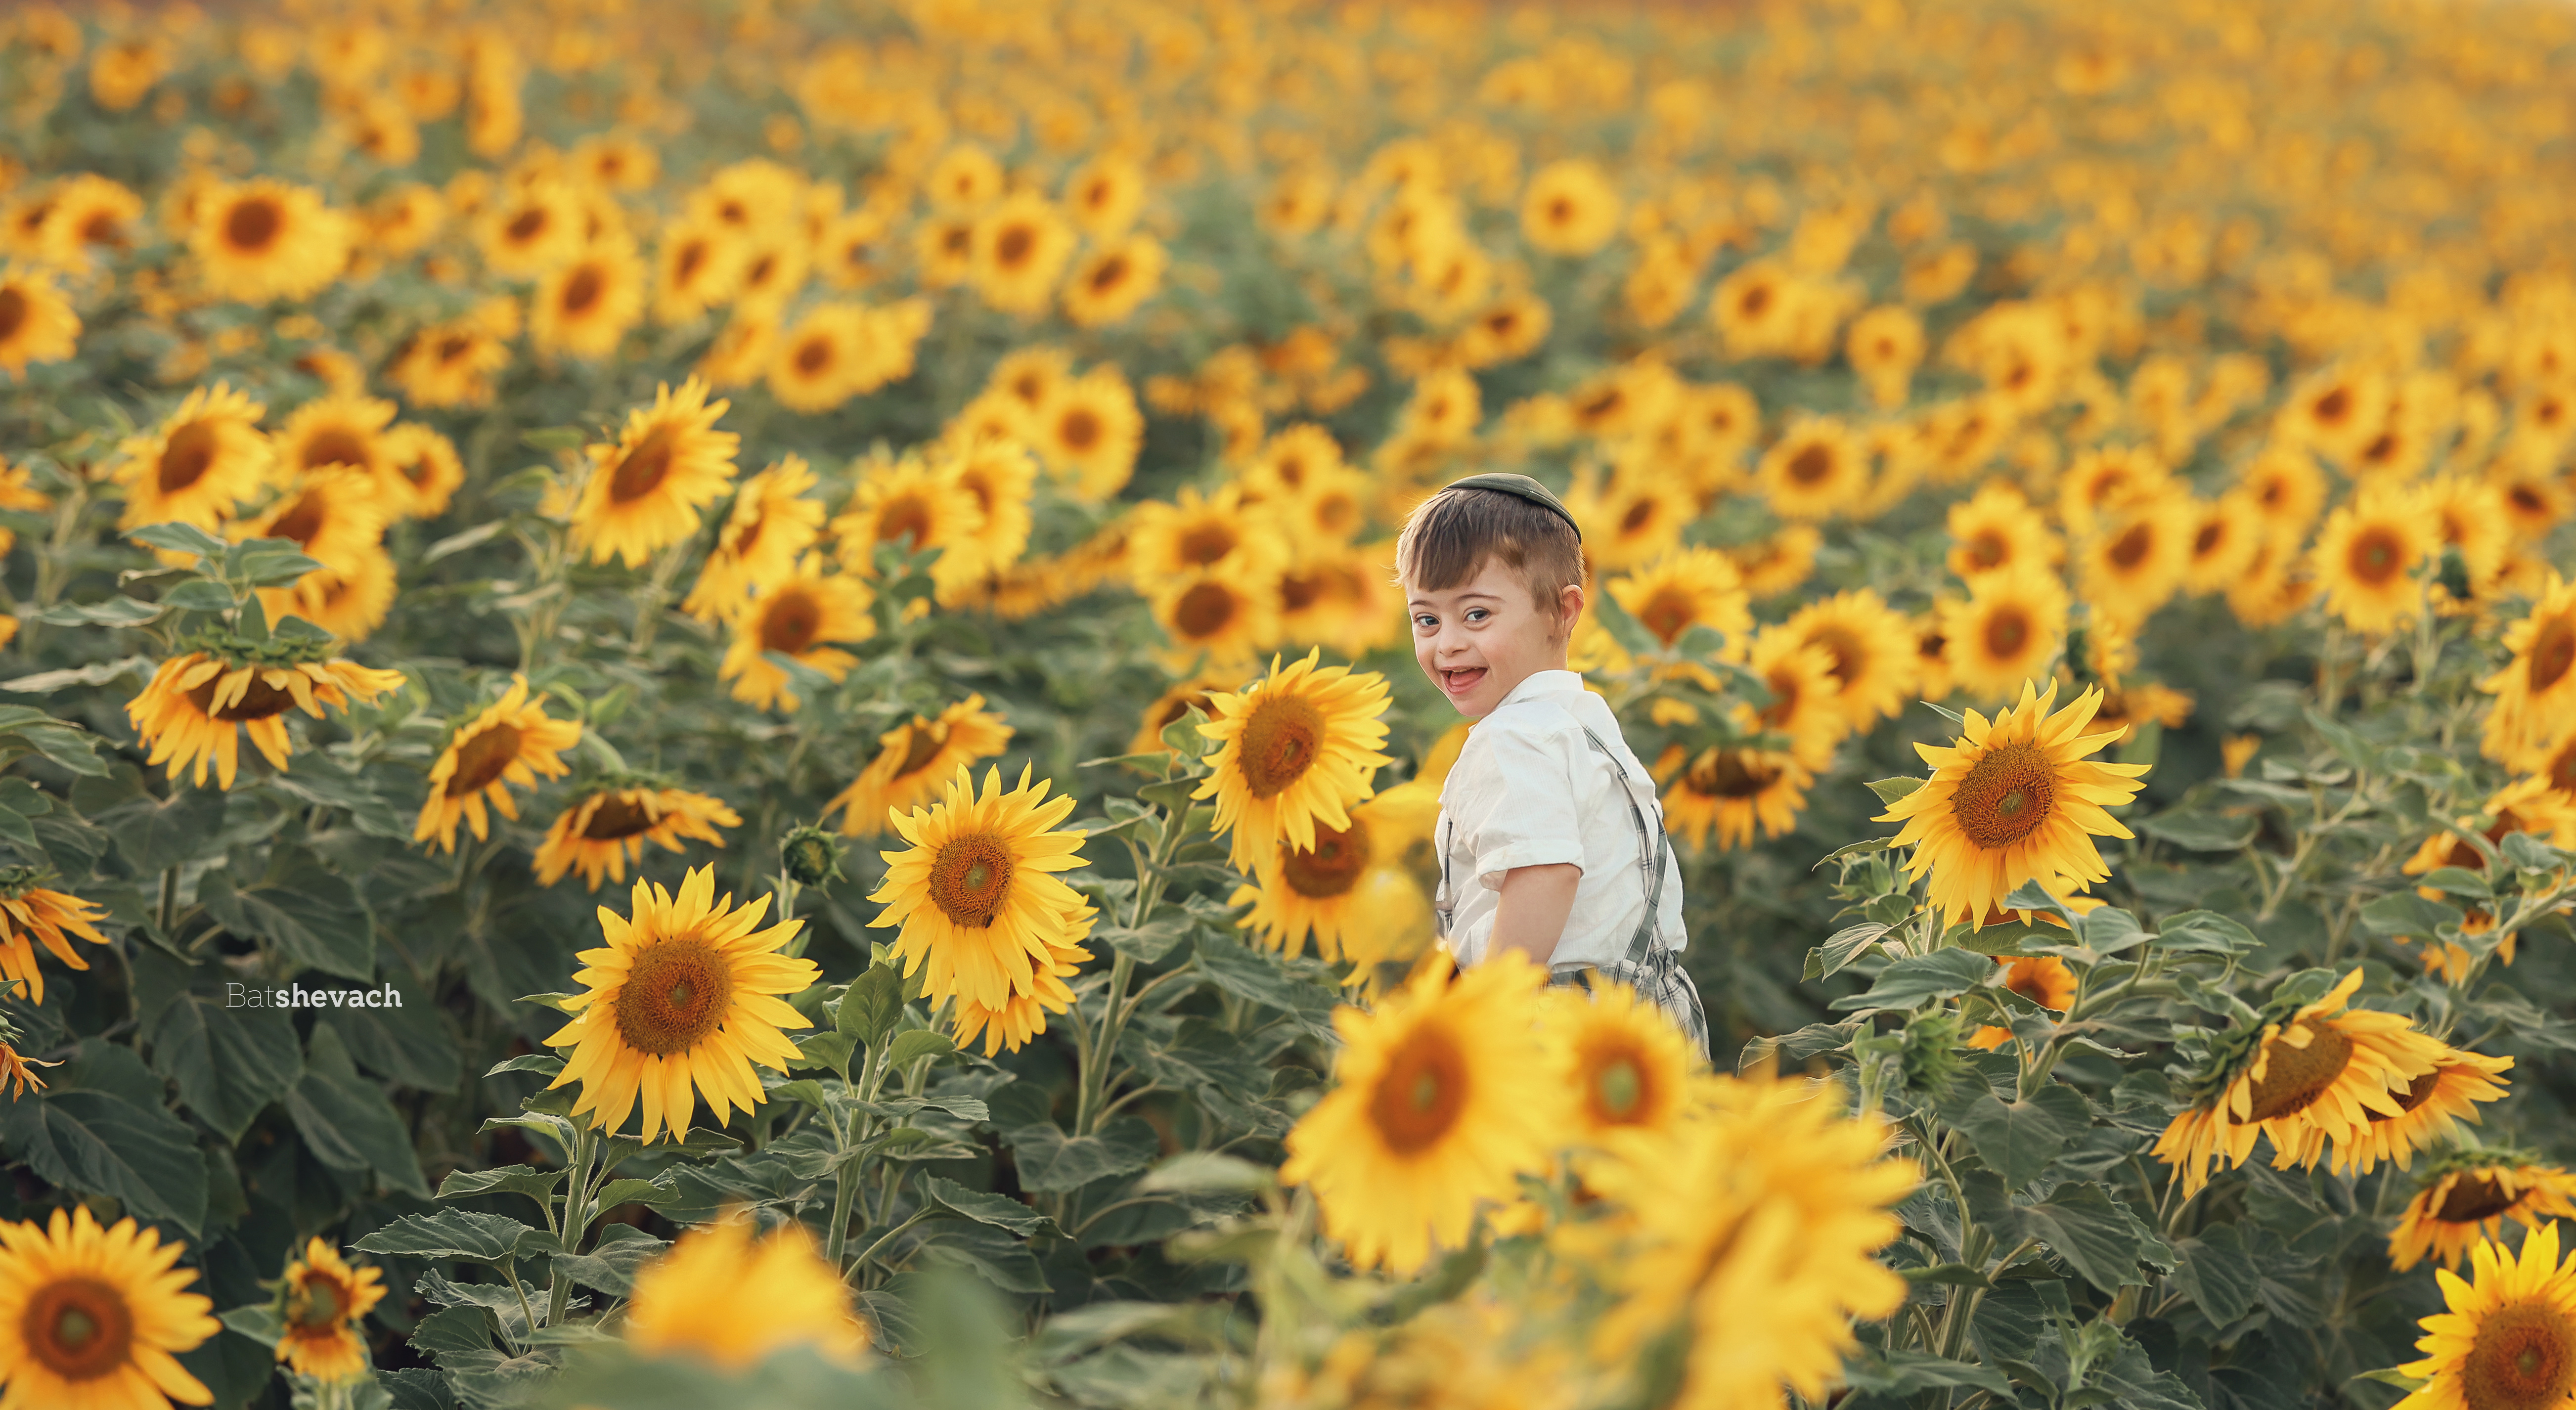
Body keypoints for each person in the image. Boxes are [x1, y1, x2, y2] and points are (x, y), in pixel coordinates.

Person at [1395, 472, 1710, 1057]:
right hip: (1645, 1011)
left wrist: (1489, 1012)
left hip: (1554, 1023)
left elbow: (1544, 872)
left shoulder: (1513, 737)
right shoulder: (1581, 719)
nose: (1446, 645)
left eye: (1476, 615)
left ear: (1560, 612)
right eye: (1426, 619)